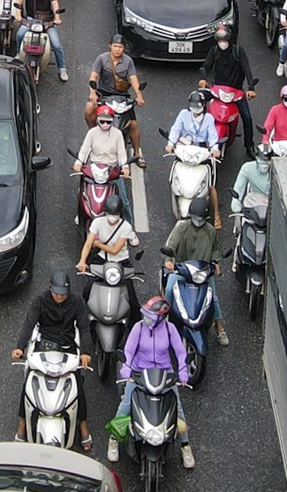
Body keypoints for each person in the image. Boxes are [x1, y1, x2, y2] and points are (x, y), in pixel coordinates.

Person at [13, 271, 94, 451]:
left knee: (78, 387)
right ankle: (21, 424)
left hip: (68, 348)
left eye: (63, 293)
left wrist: (86, 352)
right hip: (44, 348)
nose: (59, 296)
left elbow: (84, 328)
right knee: (29, 382)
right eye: (57, 293)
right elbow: (29, 324)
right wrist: (20, 347)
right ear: (50, 288)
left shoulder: (77, 302)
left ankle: (83, 427)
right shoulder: (40, 301)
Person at [110, 295, 194, 469]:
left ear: (161, 318)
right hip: (140, 372)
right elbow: (129, 350)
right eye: (145, 314)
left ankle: (185, 445)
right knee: (126, 406)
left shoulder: (170, 329)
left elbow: (180, 352)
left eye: (150, 316)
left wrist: (183, 372)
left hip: (164, 373)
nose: (146, 318)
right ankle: (114, 439)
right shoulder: (138, 328)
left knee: (177, 408)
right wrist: (126, 368)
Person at [162, 197, 229, 348]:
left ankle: (220, 328)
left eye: (201, 218)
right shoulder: (181, 228)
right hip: (182, 269)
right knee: (169, 289)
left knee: (214, 299)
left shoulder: (211, 231)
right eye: (196, 217)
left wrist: (216, 263)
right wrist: (168, 260)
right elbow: (171, 246)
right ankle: (164, 321)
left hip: (201, 273)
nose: (198, 221)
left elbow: (215, 249)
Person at [197, 24, 256, 155]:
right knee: (196, 103)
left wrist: (251, 87)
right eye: (220, 40)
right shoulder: (214, 51)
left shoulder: (238, 51)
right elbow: (205, 66)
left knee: (247, 118)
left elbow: (246, 69)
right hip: (217, 91)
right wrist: (203, 78)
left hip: (236, 92)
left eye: (225, 40)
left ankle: (249, 145)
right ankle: (198, 136)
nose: (222, 43)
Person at [85, 38, 147, 159]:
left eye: (120, 47)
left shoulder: (128, 61)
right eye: (115, 46)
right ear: (110, 46)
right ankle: (94, 133)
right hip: (104, 96)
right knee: (89, 109)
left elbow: (133, 78)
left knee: (133, 125)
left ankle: (137, 153)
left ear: (124, 48)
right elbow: (94, 76)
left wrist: (139, 94)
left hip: (122, 97)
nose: (117, 50)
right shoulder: (102, 59)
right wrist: (92, 93)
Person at [73, 105, 135, 225]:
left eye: (108, 121)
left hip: (112, 170)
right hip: (95, 169)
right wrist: (79, 162)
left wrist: (125, 166)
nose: (105, 123)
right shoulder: (92, 133)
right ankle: (82, 213)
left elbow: (122, 153)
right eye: (102, 121)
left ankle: (129, 228)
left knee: (123, 200)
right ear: (97, 120)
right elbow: (84, 150)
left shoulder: (117, 134)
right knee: (83, 194)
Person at [76, 191, 139, 299]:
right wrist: (82, 261)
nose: (112, 217)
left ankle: (136, 316)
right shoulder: (97, 222)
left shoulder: (126, 227)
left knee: (131, 296)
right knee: (87, 291)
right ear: (105, 212)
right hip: (101, 259)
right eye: (110, 214)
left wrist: (97, 244)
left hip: (121, 260)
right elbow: (88, 244)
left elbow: (115, 250)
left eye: (115, 215)